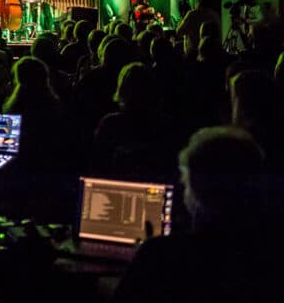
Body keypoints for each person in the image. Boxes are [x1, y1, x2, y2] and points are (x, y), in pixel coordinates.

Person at [111, 126, 274, 303]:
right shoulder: (270, 258)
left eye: (186, 184)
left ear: (197, 191)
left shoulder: (161, 256)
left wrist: (146, 255)